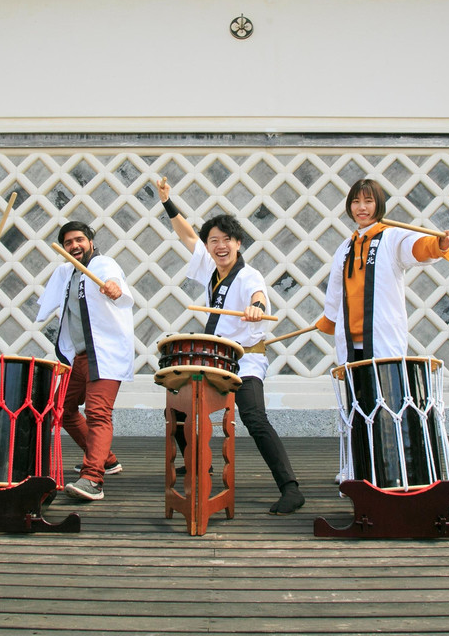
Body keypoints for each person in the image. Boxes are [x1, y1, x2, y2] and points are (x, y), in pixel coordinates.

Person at [156, 179, 304, 515]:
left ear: (238, 243)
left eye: (226, 240)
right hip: (215, 360)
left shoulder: (249, 275)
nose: (219, 246)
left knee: (254, 418)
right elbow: (188, 236)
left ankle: (290, 488)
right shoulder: (211, 267)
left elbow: (258, 296)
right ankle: (200, 465)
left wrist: (257, 309)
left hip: (245, 360)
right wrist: (167, 202)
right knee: (177, 410)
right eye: (214, 241)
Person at [317, 177, 449, 483]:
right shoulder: (345, 247)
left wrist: (440, 244)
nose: (362, 207)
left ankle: (389, 469)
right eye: (356, 202)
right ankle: (356, 467)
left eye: (368, 201)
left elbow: (418, 248)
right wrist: (329, 321)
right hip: (352, 341)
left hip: (381, 337)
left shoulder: (393, 237)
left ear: (379, 205)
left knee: (386, 405)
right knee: (357, 407)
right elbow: (335, 291)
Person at [35, 221, 134, 502]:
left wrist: (115, 289)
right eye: (68, 243)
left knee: (98, 413)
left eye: (79, 240)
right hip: (79, 355)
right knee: (61, 409)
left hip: (104, 353)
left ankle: (93, 478)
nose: (74, 246)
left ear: (91, 241)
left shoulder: (103, 265)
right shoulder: (67, 272)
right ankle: (107, 459)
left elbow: (116, 283)